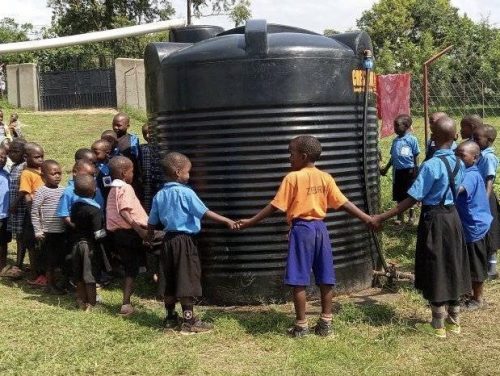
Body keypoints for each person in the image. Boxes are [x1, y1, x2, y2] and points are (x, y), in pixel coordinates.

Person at [236, 136, 376, 337]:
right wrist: (367, 218)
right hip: (321, 229)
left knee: (298, 278)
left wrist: (251, 221)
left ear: (303, 156)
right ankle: (326, 322)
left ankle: (301, 325)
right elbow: (343, 202)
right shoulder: (326, 177)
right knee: (326, 277)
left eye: (291, 154)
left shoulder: (292, 178)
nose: (289, 158)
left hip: (302, 230)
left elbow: (275, 206)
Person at [373, 117, 470, 338]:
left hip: (434, 219)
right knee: (453, 262)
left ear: (433, 138)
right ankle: (454, 321)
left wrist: (382, 217)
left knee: (436, 265)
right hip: (453, 218)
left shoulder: (431, 165)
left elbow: (411, 200)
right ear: (455, 137)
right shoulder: (459, 162)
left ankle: (438, 325)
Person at [147, 152, 235, 334]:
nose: (189, 175)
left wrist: (149, 239)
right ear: (178, 172)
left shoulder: (160, 195)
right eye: (188, 172)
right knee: (186, 278)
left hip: (167, 240)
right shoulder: (186, 193)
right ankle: (189, 321)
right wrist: (227, 220)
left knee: (169, 279)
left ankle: (170, 319)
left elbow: (151, 222)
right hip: (185, 242)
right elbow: (204, 212)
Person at [106, 156, 148, 316]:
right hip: (130, 232)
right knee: (132, 268)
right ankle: (126, 303)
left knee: (131, 266)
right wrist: (139, 230)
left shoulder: (113, 189)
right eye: (132, 171)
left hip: (119, 234)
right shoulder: (125, 188)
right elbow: (124, 211)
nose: (133, 175)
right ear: (124, 173)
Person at [455, 141, 492, 310]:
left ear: (475, 158)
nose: (458, 158)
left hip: (474, 226)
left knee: (475, 264)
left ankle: (478, 299)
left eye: (462, 155)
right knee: (468, 260)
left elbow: (459, 189)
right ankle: (468, 293)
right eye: (456, 154)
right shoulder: (465, 171)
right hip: (469, 225)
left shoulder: (470, 174)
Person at [71, 174, 106, 312]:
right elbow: (98, 233)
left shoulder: (75, 206)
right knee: (89, 275)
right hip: (88, 245)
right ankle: (92, 304)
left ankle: (81, 300)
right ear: (95, 190)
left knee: (79, 274)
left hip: (76, 244)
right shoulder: (95, 210)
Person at [31, 160, 66, 294]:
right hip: (48, 232)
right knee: (50, 261)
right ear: (43, 176)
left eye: (59, 173)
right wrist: (38, 230)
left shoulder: (63, 190)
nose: (57, 176)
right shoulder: (41, 192)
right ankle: (50, 285)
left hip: (61, 231)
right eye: (53, 174)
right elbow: (35, 211)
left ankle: (60, 282)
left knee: (60, 258)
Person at [380, 114, 420, 224]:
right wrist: (386, 169)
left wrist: (416, 172)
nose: (395, 128)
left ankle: (412, 216)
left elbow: (416, 156)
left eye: (397, 126)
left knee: (409, 194)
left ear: (406, 126)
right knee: (399, 194)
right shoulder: (395, 141)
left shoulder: (412, 140)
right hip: (397, 172)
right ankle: (399, 216)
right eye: (394, 126)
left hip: (410, 171)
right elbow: (393, 158)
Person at [473, 124, 500, 279]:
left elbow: (490, 179)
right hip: (480, 195)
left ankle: (492, 268)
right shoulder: (481, 154)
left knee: (490, 230)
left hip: (485, 197)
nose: (474, 141)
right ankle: (485, 264)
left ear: (489, 140)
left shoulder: (488, 157)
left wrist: (483, 200)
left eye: (477, 139)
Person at [19, 142, 45, 284]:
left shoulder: (43, 170)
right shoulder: (26, 173)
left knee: (41, 245)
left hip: (45, 213)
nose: (40, 160)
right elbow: (27, 195)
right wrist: (33, 214)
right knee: (32, 244)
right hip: (34, 215)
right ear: (25, 157)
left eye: (42, 156)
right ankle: (35, 274)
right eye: (37, 157)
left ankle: (42, 272)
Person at [6, 139, 27, 277]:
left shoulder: (24, 166)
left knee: (21, 236)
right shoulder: (14, 166)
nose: (11, 154)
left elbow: (24, 189)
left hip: (21, 207)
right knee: (17, 236)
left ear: (24, 154)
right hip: (14, 207)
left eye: (15, 151)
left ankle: (19, 263)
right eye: (10, 151)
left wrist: (15, 202)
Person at [111, 113, 142, 200]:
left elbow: (137, 158)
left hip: (130, 176)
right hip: (113, 176)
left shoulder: (132, 139)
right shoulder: (110, 138)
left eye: (119, 125)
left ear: (127, 126)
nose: (115, 127)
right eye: (114, 125)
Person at [140, 123, 162, 213]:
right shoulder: (141, 148)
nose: (148, 136)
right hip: (146, 180)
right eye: (145, 134)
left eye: (150, 133)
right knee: (147, 200)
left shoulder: (161, 148)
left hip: (157, 179)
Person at [0, 146, 11, 273]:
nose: (2, 159)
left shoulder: (6, 172)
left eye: (4, 157)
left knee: (3, 242)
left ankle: (2, 265)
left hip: (5, 215)